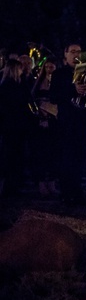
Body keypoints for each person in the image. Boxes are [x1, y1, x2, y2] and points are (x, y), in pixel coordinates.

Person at [49, 42, 86, 205]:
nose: (77, 55)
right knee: (66, 158)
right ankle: (66, 192)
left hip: (82, 121)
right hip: (66, 123)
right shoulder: (59, 74)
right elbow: (53, 96)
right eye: (73, 51)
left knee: (79, 158)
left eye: (79, 52)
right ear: (66, 55)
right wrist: (73, 90)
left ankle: (77, 192)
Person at [0, 57, 34, 196]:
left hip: (11, 125)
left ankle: (12, 184)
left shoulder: (8, 85)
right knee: (13, 155)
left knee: (13, 155)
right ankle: (11, 185)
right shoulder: (14, 86)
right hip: (15, 125)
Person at [29, 59, 60, 196]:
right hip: (41, 122)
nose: (49, 69)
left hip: (55, 121)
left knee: (54, 153)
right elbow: (33, 99)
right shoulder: (38, 83)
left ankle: (52, 183)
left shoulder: (57, 82)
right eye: (47, 67)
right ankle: (41, 183)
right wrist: (41, 115)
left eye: (51, 67)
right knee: (41, 153)